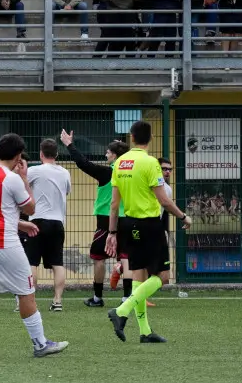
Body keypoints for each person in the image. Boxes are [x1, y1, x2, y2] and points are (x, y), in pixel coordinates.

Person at [0, 132, 69, 360]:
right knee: (26, 292)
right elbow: (30, 209)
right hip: (2, 242)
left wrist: (20, 225)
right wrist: (25, 179)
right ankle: (40, 344)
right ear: (19, 156)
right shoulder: (11, 179)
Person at [106, 121, 191, 344]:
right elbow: (164, 200)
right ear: (150, 138)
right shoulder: (151, 162)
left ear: (131, 138)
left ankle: (144, 332)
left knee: (138, 276)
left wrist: (112, 232)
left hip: (128, 224)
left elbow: (114, 205)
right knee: (162, 277)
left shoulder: (120, 162)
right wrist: (183, 216)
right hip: (150, 225)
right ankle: (121, 311)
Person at [59, 130, 130, 307]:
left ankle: (98, 297)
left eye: (107, 152)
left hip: (107, 220)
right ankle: (127, 297)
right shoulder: (130, 173)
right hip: (128, 218)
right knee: (126, 258)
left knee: (99, 258)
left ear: (114, 155)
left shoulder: (108, 172)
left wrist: (69, 145)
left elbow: (83, 164)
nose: (105, 154)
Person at [24, 139, 71, 311]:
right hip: (57, 223)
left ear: (41, 154)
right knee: (57, 263)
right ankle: (57, 301)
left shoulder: (34, 170)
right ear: (57, 154)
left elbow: (23, 187)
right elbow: (66, 191)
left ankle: (30, 301)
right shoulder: (65, 172)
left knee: (32, 262)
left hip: (37, 220)